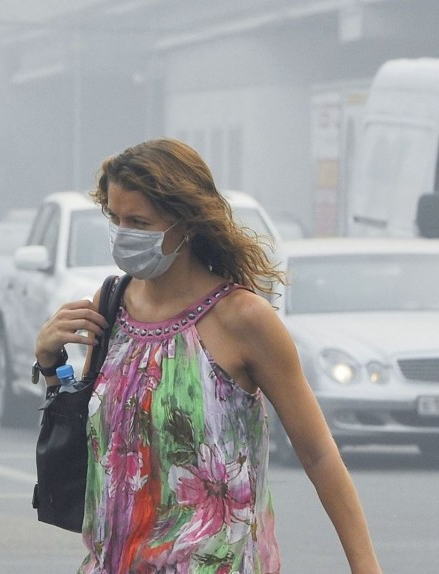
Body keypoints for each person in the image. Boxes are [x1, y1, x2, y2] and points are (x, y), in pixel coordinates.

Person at [32, 138, 381, 573]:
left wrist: (366, 566)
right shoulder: (111, 303)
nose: (124, 235)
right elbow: (95, 438)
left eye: (139, 222)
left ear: (188, 223)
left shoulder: (243, 318)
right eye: (116, 219)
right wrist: (50, 365)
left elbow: (318, 454)